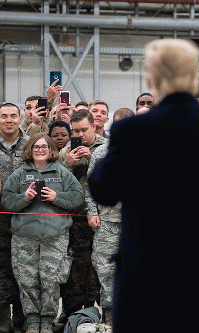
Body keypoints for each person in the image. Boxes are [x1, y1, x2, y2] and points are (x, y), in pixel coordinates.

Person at [87, 38, 199, 333]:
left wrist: (117, 147)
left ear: (150, 78)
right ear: (195, 77)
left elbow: (103, 190)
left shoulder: (133, 131)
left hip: (147, 280)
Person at [1, 133, 84, 333]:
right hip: (24, 238)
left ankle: (46, 321)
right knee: (27, 281)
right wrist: (24, 197)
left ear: (51, 150)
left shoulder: (62, 172)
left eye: (44, 147)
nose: (40, 150)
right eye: (36, 146)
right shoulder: (19, 174)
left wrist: (57, 196)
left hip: (55, 238)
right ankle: (32, 321)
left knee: (51, 280)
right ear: (30, 150)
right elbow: (6, 201)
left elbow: (78, 198)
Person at [84, 109, 135, 326]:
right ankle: (108, 317)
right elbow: (90, 187)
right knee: (105, 270)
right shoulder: (102, 153)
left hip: (136, 223)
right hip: (106, 222)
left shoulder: (148, 151)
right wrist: (92, 212)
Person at [59, 110, 107, 319]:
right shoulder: (65, 151)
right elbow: (56, 182)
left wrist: (92, 163)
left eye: (84, 130)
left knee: (102, 269)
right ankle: (73, 315)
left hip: (103, 217)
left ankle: (105, 313)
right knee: (76, 270)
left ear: (94, 127)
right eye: (75, 131)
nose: (80, 135)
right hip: (75, 218)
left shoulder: (105, 148)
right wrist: (67, 163)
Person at [0, 103, 29, 332]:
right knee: (1, 266)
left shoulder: (31, 144)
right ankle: (3, 317)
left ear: (20, 118)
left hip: (25, 215)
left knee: (22, 266)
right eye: (3, 116)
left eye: (12, 116)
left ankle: (21, 311)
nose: (8, 120)